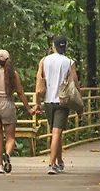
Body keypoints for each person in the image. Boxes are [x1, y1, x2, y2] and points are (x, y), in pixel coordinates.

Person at [0, 49, 34, 174]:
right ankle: (7, 155)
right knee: (10, 138)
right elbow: (20, 92)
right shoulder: (13, 74)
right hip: (8, 105)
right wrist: (28, 108)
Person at [35, 35, 82, 175]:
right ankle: (52, 164)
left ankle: (59, 162)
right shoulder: (69, 62)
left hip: (48, 101)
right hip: (62, 101)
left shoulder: (44, 61)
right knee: (57, 132)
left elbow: (39, 82)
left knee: (55, 132)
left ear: (53, 46)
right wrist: (80, 105)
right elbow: (75, 84)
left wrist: (38, 103)